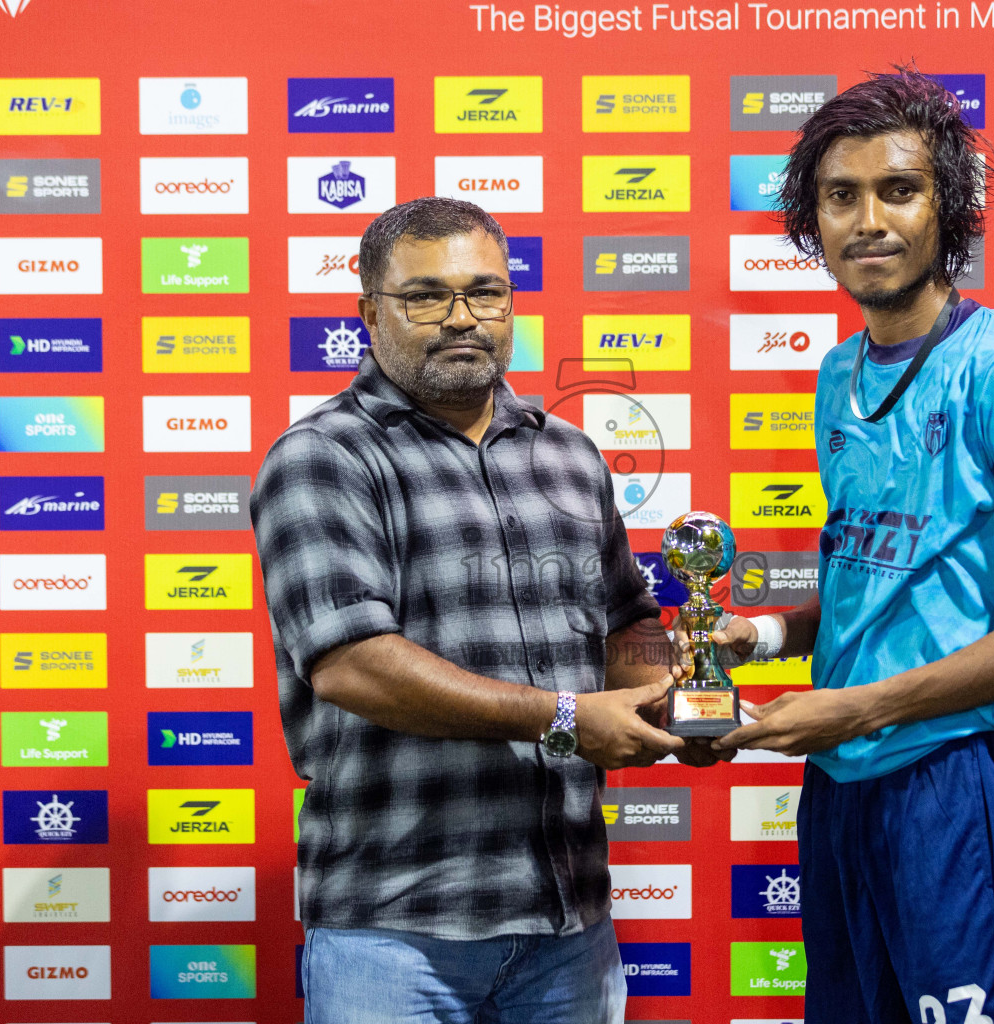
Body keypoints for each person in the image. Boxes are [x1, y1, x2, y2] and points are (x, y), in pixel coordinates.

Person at [708, 69, 994, 1023]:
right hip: (843, 786)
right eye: (841, 196)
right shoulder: (838, 372)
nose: (868, 221)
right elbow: (880, 575)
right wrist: (762, 639)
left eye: (899, 189)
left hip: (955, 774)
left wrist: (856, 710)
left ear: (949, 207)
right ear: (813, 219)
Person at [251, 196, 694, 1024]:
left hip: (569, 924)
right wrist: (568, 718)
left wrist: (670, 697)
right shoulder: (321, 457)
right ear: (370, 314)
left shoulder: (568, 455)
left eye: (485, 292)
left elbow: (627, 619)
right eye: (426, 296)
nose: (462, 317)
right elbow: (353, 664)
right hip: (396, 931)